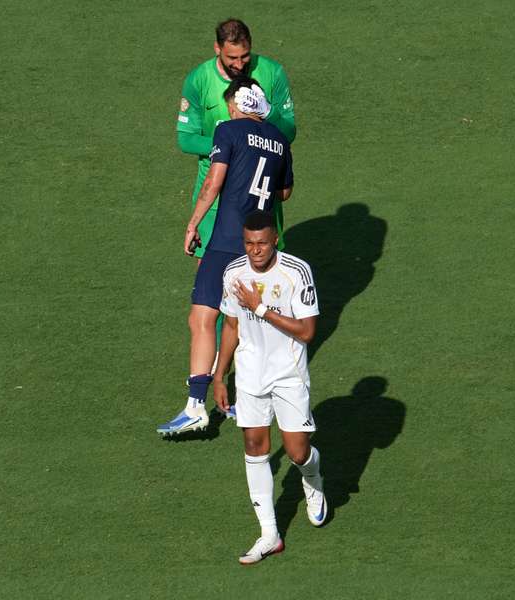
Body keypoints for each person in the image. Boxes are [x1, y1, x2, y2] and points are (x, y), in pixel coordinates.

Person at [157, 77, 293, 436]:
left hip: (227, 240)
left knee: (202, 317)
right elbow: (285, 192)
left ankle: (195, 406)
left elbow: (213, 182)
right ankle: (249, 402)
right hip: (260, 246)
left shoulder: (228, 130)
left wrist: (192, 224)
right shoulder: (280, 140)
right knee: (246, 326)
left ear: (235, 104)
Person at [214, 210, 326, 564]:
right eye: (249, 243)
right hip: (250, 373)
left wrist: (260, 308)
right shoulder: (234, 273)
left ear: (275, 238)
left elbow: (307, 332)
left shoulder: (296, 272)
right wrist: (219, 375)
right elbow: (231, 326)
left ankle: (313, 478)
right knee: (254, 445)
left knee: (297, 453)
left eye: (262, 243)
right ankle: (269, 534)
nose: (255, 250)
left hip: (288, 375)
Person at [176, 18, 296, 259]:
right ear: (217, 48)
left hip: (262, 195)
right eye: (232, 58)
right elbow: (186, 139)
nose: (239, 64)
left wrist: (269, 112)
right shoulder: (199, 79)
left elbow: (289, 132)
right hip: (215, 199)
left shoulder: (272, 73)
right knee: (211, 268)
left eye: (245, 56)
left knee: (263, 269)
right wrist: (232, 145)